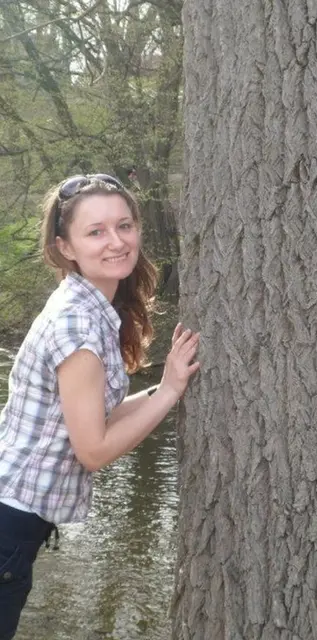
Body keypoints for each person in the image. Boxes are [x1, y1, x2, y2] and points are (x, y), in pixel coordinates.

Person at [0, 173, 200, 639]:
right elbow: (92, 449)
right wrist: (167, 392)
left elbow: (97, 418)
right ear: (65, 247)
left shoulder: (87, 306)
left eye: (124, 225)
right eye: (95, 231)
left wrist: (166, 386)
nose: (116, 241)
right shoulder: (77, 327)